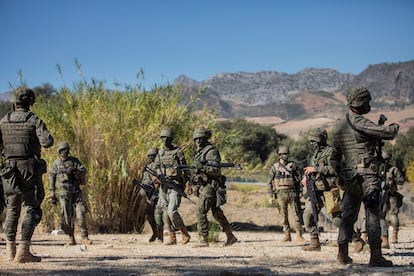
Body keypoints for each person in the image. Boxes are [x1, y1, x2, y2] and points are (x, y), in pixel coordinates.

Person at [330, 86, 399, 267]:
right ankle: (375, 256)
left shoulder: (338, 125)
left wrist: (339, 176)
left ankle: (342, 255)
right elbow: (389, 133)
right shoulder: (360, 122)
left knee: (347, 216)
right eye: (367, 101)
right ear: (361, 103)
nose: (369, 104)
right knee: (373, 215)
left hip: (350, 177)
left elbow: (334, 157)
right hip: (368, 177)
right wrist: (393, 126)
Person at [0, 86, 54, 263]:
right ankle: (23, 251)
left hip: (8, 170)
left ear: (15, 102)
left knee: (12, 208)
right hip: (29, 169)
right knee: (32, 206)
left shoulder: (3, 121)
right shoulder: (33, 119)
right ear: (30, 102)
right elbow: (47, 142)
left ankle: (10, 250)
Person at [190, 127, 238, 247]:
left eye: (201, 139)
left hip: (211, 185)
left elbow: (216, 170)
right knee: (217, 213)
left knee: (200, 210)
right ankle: (230, 236)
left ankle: (203, 240)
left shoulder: (211, 152)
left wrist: (202, 168)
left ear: (206, 139)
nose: (198, 141)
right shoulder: (199, 152)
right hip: (204, 185)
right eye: (196, 139)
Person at [301, 128, 342, 251]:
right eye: (311, 141)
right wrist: (306, 177)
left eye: (314, 141)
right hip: (316, 190)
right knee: (308, 215)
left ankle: (356, 239)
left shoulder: (331, 152)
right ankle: (315, 243)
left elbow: (335, 169)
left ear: (320, 140)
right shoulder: (316, 154)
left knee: (336, 219)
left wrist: (316, 169)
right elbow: (313, 169)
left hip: (329, 189)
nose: (312, 143)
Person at [49, 141, 92, 246]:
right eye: (63, 150)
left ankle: (85, 237)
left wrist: (74, 170)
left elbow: (83, 170)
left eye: (66, 150)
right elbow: (52, 178)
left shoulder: (74, 161)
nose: (65, 152)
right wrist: (52, 193)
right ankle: (70, 238)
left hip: (76, 191)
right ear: (59, 152)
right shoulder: (56, 164)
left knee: (81, 212)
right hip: (64, 192)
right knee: (67, 217)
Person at [155, 127, 191, 245]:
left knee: (172, 210)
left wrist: (188, 183)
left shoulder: (178, 152)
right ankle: (172, 237)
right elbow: (155, 168)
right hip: (163, 186)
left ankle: (184, 233)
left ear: (171, 139)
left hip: (175, 185)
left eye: (168, 138)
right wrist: (156, 179)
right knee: (165, 212)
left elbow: (185, 169)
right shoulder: (159, 153)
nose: (165, 140)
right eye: (163, 138)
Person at [268, 145, 306, 242]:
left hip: (292, 192)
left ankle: (299, 235)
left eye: (286, 154)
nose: (285, 156)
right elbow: (269, 182)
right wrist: (270, 196)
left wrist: (300, 192)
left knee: (297, 214)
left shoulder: (293, 165)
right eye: (283, 154)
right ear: (279, 155)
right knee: (283, 215)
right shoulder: (274, 167)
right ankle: (287, 234)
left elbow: (299, 179)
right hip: (280, 193)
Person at [135, 148, 161, 242]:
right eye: (150, 156)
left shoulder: (160, 167)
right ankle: (155, 232)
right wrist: (143, 188)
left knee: (159, 215)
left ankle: (161, 235)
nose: (151, 158)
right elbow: (145, 180)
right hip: (150, 195)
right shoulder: (148, 168)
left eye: (153, 156)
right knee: (149, 215)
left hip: (160, 193)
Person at [381, 151, 404, 245]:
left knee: (393, 215)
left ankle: (394, 235)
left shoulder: (393, 169)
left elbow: (401, 180)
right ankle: (383, 238)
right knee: (380, 216)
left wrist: (393, 181)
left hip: (391, 195)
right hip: (381, 195)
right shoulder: (378, 169)